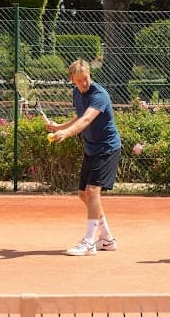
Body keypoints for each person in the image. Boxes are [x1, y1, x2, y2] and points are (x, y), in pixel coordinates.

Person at [46, 59, 121, 256]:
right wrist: (60, 126)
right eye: (79, 80)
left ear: (89, 75)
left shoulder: (99, 95)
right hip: (91, 148)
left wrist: (67, 134)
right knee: (83, 194)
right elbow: (80, 116)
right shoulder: (76, 93)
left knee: (92, 191)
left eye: (86, 79)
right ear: (72, 80)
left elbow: (88, 119)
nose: (84, 83)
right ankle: (107, 239)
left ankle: (89, 242)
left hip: (106, 148)